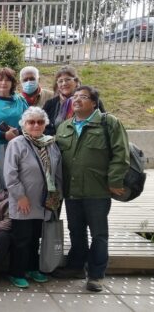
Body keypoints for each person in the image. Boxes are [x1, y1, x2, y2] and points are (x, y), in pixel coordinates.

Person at [54, 86, 130, 292]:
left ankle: (96, 275)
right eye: (74, 97)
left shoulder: (109, 123)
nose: (76, 100)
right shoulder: (65, 126)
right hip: (71, 191)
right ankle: (76, 266)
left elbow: (121, 154)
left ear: (94, 102)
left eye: (83, 97)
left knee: (99, 234)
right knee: (75, 230)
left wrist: (114, 181)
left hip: (98, 190)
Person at [4, 107, 63, 289]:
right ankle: (17, 273)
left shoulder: (51, 144)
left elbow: (58, 172)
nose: (36, 125)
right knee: (22, 239)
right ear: (24, 125)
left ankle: (32, 268)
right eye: (31, 122)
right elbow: (10, 174)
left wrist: (57, 196)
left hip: (44, 202)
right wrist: (20, 196)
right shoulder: (17, 143)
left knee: (36, 236)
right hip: (23, 201)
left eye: (40, 122)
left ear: (45, 124)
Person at [43, 66, 83, 136]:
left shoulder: (88, 101)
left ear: (76, 82)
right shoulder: (51, 104)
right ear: (57, 85)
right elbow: (42, 126)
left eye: (67, 79)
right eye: (60, 81)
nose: (64, 83)